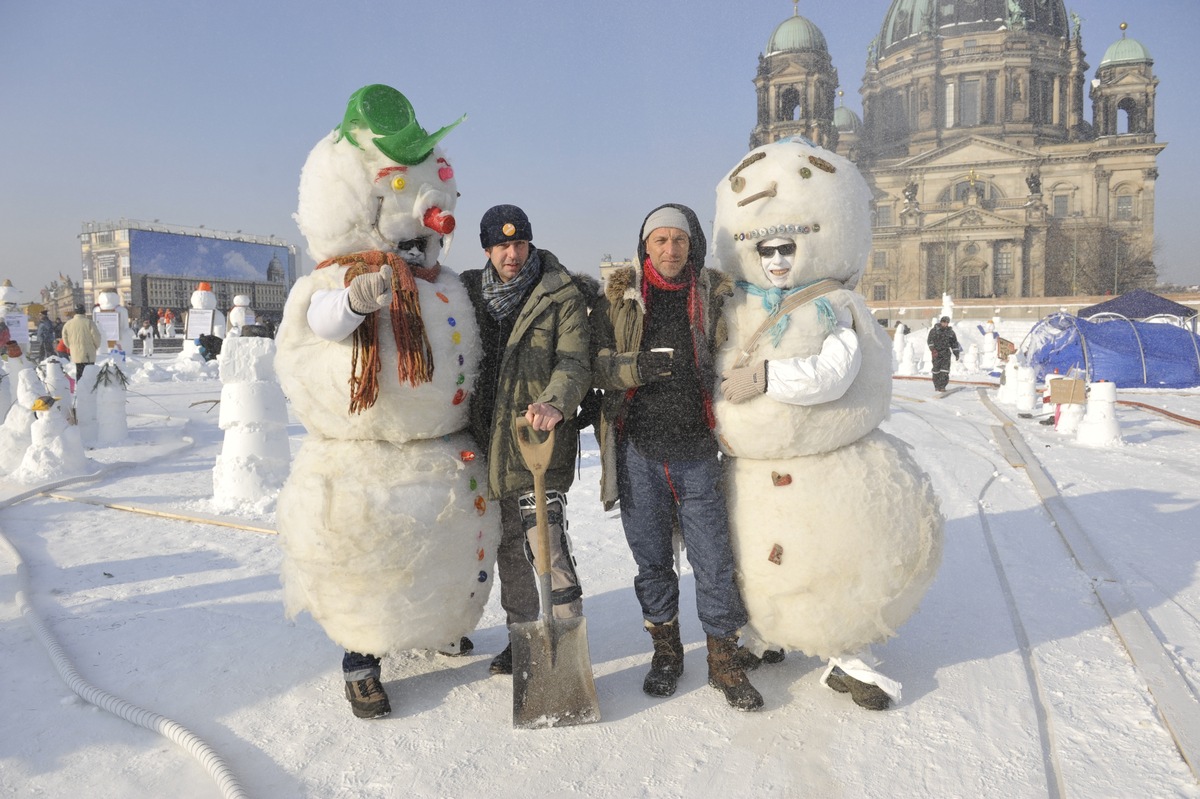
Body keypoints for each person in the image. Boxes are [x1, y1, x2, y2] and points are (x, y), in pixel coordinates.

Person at [590, 203, 763, 711]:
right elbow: (595, 368)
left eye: (680, 241)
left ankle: (723, 657)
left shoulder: (713, 296)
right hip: (640, 453)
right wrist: (634, 368)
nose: (671, 250)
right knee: (652, 563)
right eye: (661, 240)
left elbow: (744, 349)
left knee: (713, 560)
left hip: (697, 452)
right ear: (645, 246)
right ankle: (666, 652)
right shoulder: (619, 301)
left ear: (692, 246)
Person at [460, 204, 591, 676]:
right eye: (501, 245)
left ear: (530, 243)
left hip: (536, 436)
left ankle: (566, 643)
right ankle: (522, 637)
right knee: (508, 550)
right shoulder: (468, 294)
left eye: (518, 243)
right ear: (487, 249)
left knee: (546, 544)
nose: (511, 253)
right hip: (483, 444)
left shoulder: (559, 293)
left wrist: (555, 401)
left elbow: (574, 361)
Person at [60, 304, 102, 380]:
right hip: (89, 353)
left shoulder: (68, 324)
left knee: (79, 373)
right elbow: (96, 337)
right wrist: (95, 346)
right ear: (84, 312)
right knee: (90, 374)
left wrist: (71, 347)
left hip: (76, 352)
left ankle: (80, 388)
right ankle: (89, 389)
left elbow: (64, 338)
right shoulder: (89, 323)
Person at [927, 316, 961, 392]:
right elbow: (930, 341)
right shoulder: (934, 331)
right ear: (941, 322)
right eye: (944, 322)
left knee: (945, 370)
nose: (945, 324)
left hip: (946, 353)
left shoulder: (950, 332)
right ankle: (937, 385)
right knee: (936, 370)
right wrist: (933, 350)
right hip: (937, 353)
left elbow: (954, 343)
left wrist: (956, 353)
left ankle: (942, 386)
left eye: (946, 323)